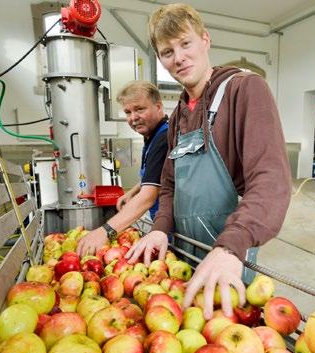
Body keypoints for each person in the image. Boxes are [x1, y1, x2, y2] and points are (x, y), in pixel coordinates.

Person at [127, 4, 292, 320]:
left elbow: (271, 180)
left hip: (230, 255)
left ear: (205, 40)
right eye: (167, 52)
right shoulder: (178, 117)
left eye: (185, 44)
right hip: (184, 254)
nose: (179, 58)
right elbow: (169, 186)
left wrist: (231, 246)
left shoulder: (244, 89)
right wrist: (161, 229)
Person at [77, 81, 169, 257]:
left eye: (140, 109)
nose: (133, 117)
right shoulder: (153, 135)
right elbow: (157, 176)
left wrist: (105, 232)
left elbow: (148, 197)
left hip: (171, 228)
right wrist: (132, 192)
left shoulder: (164, 138)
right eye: (128, 112)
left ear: (158, 106)